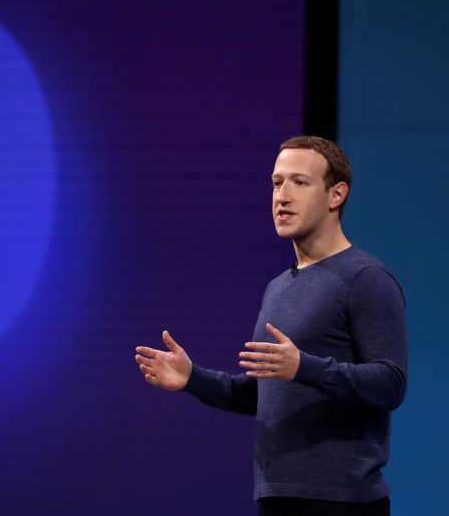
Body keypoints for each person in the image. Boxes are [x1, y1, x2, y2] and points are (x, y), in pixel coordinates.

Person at [135, 136, 408, 516]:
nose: (282, 195)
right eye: (277, 183)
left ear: (336, 195)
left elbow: (391, 382)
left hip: (342, 500)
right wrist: (192, 378)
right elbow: (261, 394)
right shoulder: (279, 286)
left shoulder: (365, 279)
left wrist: (304, 367)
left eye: (300, 182)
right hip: (276, 496)